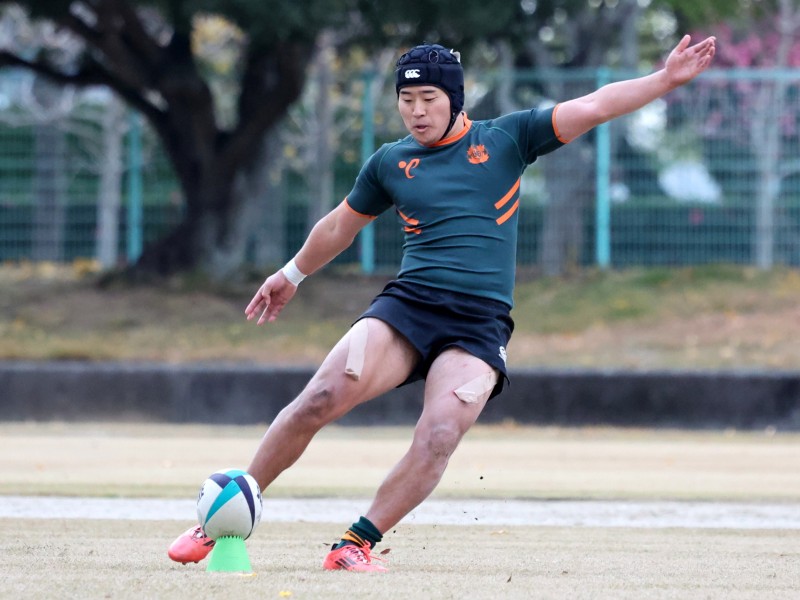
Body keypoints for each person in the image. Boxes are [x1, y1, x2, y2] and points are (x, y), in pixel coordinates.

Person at [168, 34, 716, 572]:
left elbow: (594, 106)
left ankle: (354, 544)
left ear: (455, 99)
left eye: (428, 98)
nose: (416, 111)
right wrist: (291, 274)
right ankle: (220, 520)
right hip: (408, 307)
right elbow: (339, 226)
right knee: (320, 397)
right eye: (406, 100)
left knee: (439, 436)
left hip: (478, 325)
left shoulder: (508, 138)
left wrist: (664, 79)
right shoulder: (390, 162)